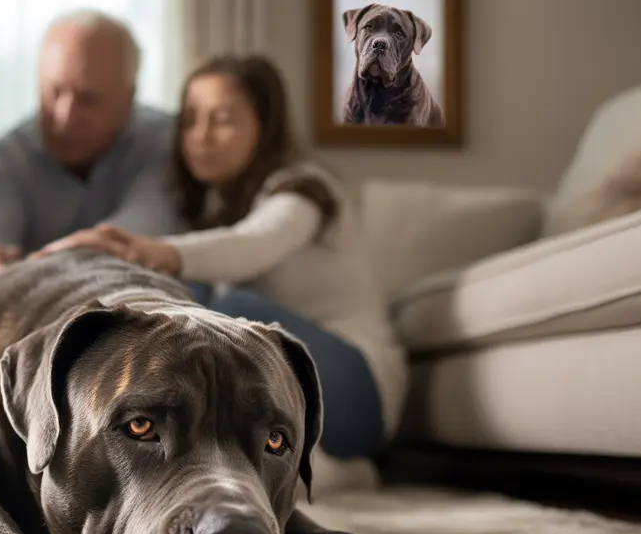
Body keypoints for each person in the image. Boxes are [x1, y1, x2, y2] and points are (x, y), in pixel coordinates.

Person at [37, 54, 407, 488]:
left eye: (223, 120)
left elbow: (253, 244)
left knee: (226, 309)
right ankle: (332, 474)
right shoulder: (206, 209)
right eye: (191, 120)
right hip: (290, 397)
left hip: (359, 392)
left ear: (264, 127)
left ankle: (337, 467)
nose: (201, 136)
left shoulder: (305, 189)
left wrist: (153, 251)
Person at [0, 9, 185, 285]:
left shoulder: (167, 142)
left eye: (88, 99)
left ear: (128, 98)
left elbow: (141, 231)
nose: (65, 116)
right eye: (53, 91)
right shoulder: (9, 155)